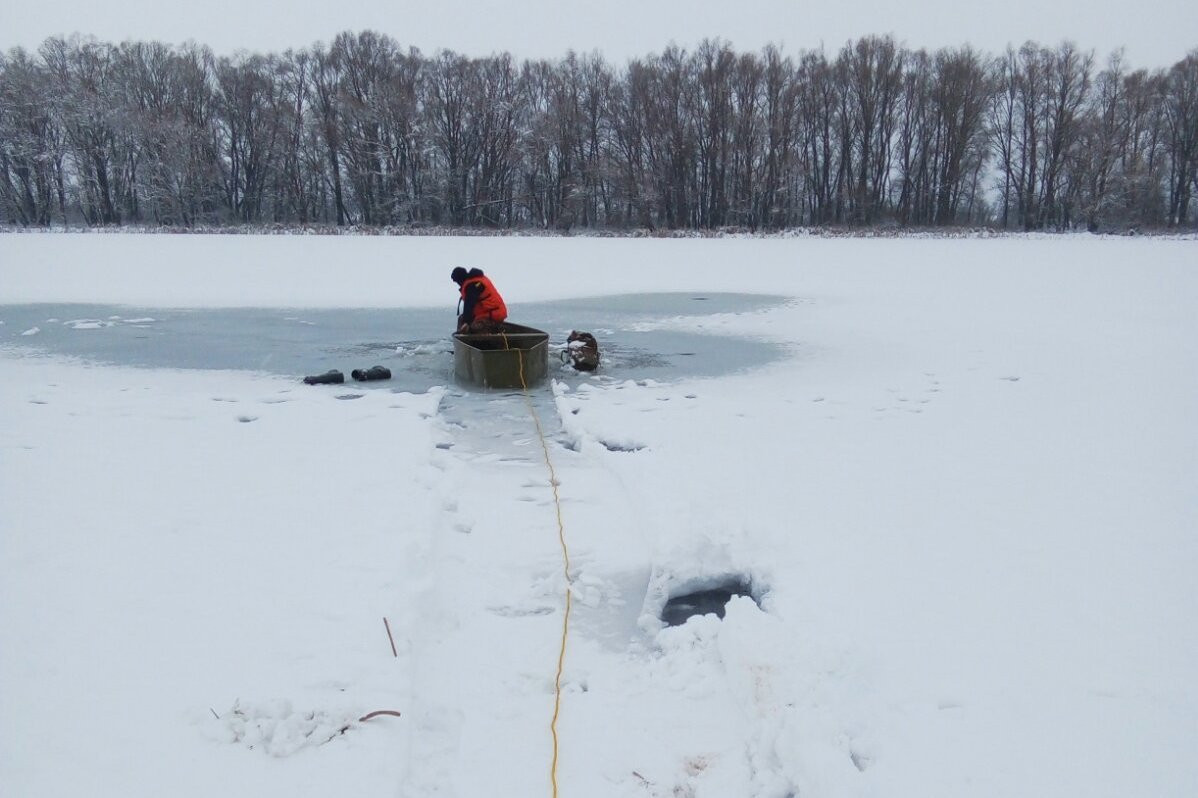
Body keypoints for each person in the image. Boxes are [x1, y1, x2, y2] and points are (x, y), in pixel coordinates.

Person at [451, 267, 508, 333]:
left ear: (460, 279)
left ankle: (481, 339)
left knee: (472, 328)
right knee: (461, 319)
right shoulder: (476, 281)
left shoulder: (472, 286)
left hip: (493, 315)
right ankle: (463, 336)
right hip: (488, 314)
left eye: (456, 281)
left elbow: (469, 305)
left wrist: (466, 323)